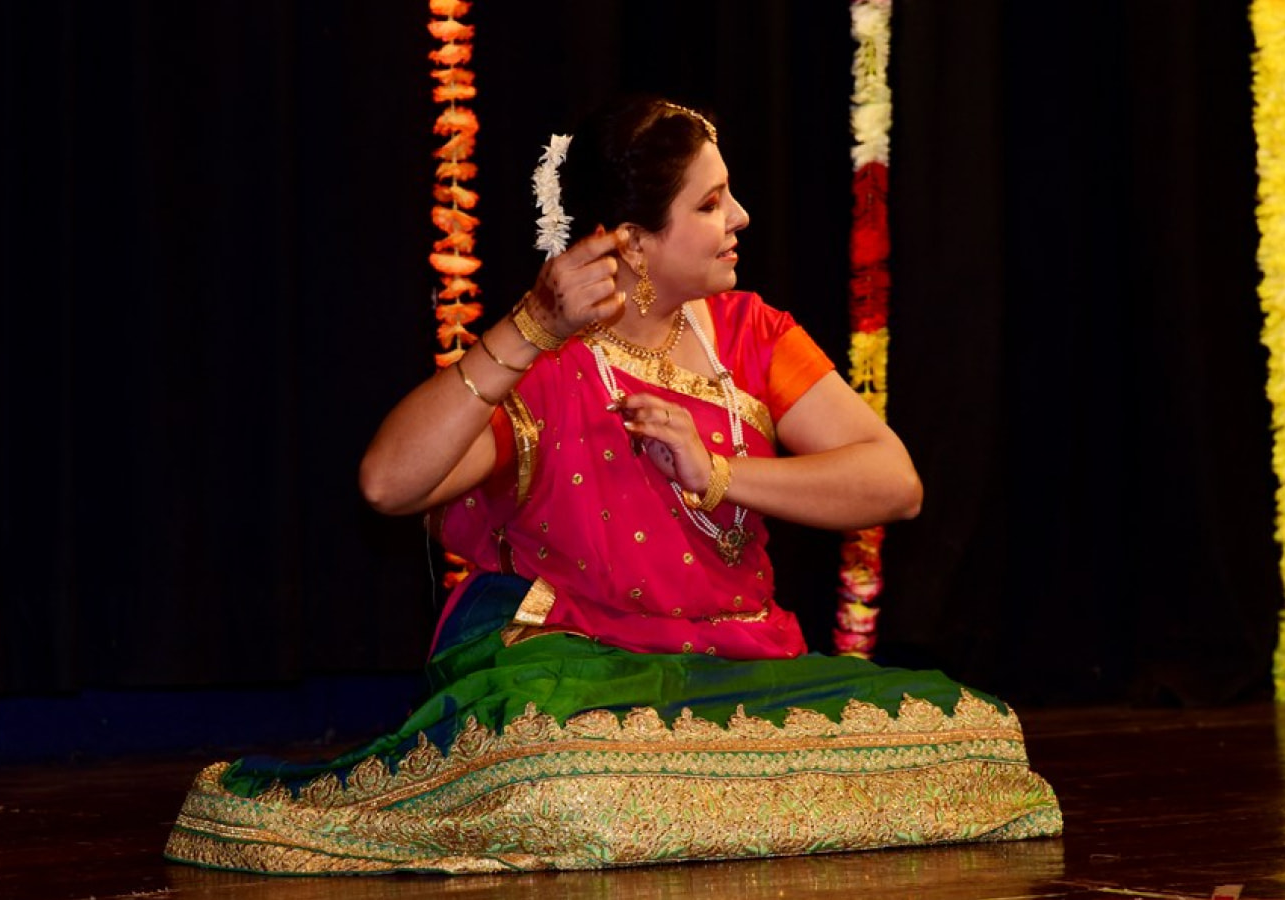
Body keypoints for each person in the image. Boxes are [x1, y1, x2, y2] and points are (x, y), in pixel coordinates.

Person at [165, 95, 1061, 875]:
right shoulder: (547, 366)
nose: (741, 216)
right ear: (631, 242)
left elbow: (893, 482)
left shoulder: (751, 336)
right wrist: (522, 332)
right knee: (568, 774)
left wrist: (719, 473)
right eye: (710, 204)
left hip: (739, 668)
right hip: (577, 672)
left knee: (963, 734)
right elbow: (387, 485)